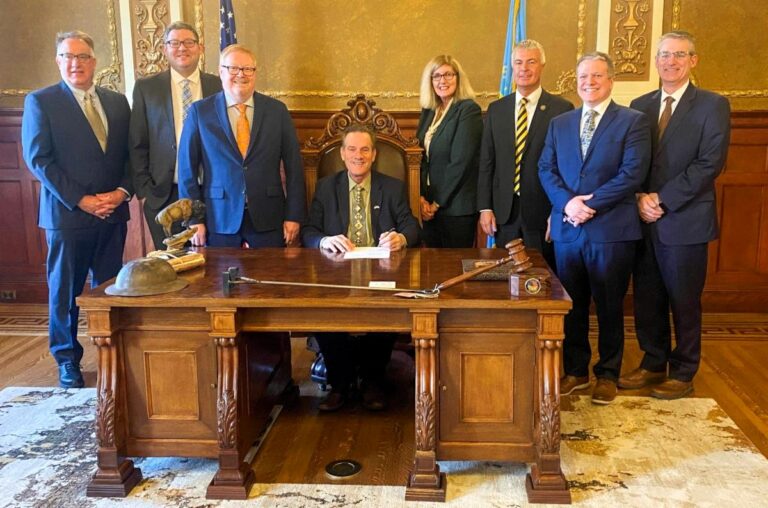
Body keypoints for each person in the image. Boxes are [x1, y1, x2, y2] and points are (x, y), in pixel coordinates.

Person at [620, 31, 731, 400]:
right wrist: (638, 197)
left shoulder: (712, 105)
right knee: (647, 296)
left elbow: (709, 164)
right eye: (665, 55)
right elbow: (632, 160)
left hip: (684, 219)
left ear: (693, 60)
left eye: (679, 55)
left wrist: (661, 200)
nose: (671, 61)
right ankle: (653, 363)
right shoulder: (640, 104)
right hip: (642, 218)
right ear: (656, 61)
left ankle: (683, 372)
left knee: (684, 299)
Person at [21, 31, 132, 388]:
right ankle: (67, 360)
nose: (75, 63)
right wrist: (82, 200)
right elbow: (40, 160)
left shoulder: (117, 103)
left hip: (113, 213)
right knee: (65, 291)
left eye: (82, 56)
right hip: (67, 216)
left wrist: (121, 192)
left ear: (94, 61)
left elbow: (131, 154)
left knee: (111, 288)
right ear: (58, 61)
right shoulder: (42, 102)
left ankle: (112, 352)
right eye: (67, 56)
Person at [538, 52, 651, 405]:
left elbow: (632, 173)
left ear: (611, 80)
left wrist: (591, 203)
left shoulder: (633, 121)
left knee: (609, 305)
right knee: (571, 304)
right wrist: (568, 204)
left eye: (597, 76)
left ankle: (608, 373)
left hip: (611, 230)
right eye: (583, 76)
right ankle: (576, 370)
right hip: (568, 228)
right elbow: (546, 169)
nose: (589, 82)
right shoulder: (560, 123)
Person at [301, 124, 420, 411]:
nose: (358, 155)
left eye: (364, 149)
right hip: (335, 271)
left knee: (387, 311)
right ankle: (339, 384)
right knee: (324, 313)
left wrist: (400, 237)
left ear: (374, 154)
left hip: (382, 271)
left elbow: (412, 228)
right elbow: (309, 231)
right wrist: (325, 240)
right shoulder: (327, 187)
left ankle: (372, 381)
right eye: (352, 149)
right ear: (342, 154)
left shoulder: (391, 187)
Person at [178, 44, 305, 247]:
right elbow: (187, 171)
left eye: (248, 69)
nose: (241, 74)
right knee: (220, 278)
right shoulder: (200, 112)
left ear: (254, 73)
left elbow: (294, 168)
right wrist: (194, 220)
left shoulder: (277, 111)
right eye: (233, 68)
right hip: (218, 219)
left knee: (270, 276)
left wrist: (294, 216)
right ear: (221, 71)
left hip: (269, 217)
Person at [478, 40, 574, 269]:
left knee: (544, 277)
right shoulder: (497, 109)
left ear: (542, 65)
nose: (524, 68)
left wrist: (558, 210)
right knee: (504, 276)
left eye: (531, 62)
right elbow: (486, 161)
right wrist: (485, 207)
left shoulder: (562, 109)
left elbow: (567, 167)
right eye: (518, 63)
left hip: (543, 212)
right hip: (504, 213)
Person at [129, 21, 222, 250]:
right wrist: (145, 191)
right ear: (164, 49)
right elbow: (137, 143)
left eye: (189, 42)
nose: (182, 48)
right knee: (169, 266)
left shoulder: (219, 85)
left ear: (200, 48)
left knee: (211, 263)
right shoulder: (146, 88)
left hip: (211, 192)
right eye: (174, 43)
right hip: (163, 193)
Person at [416, 55, 482, 247]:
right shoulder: (429, 111)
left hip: (456, 207)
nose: (442, 81)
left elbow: (460, 162)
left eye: (448, 75)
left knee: (454, 268)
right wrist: (420, 197)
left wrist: (436, 203)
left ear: (458, 78)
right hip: (428, 207)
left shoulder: (468, 110)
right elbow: (417, 156)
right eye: (436, 76)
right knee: (432, 268)